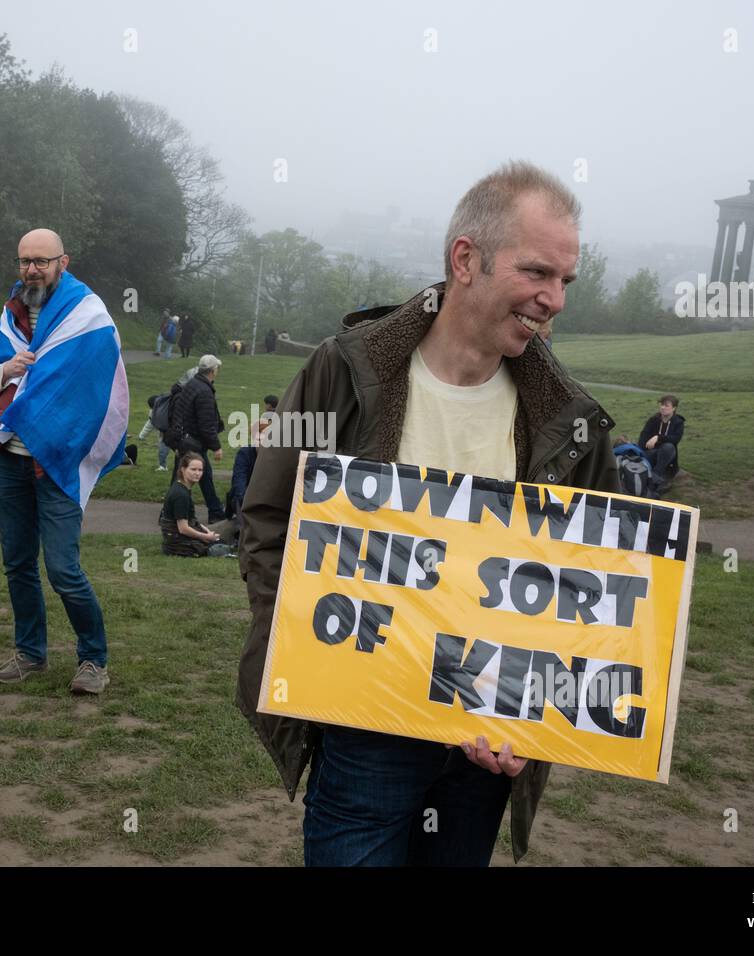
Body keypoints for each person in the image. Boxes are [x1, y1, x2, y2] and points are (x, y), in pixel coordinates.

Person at [237, 161, 621, 867]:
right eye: (538, 272)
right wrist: (299, 645)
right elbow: (267, 517)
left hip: (488, 742)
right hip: (364, 725)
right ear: (466, 260)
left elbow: (591, 588)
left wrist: (536, 709)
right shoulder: (342, 370)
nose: (555, 299)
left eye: (566, 280)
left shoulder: (572, 421)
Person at [0, 228, 127, 694]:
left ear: (64, 260)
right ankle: (30, 653)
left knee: (62, 569)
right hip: (14, 460)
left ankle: (93, 660)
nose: (32, 269)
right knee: (17, 562)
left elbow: (99, 389)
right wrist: (6, 370)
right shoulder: (12, 310)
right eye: (25, 261)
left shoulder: (89, 314)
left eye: (41, 260)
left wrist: (56, 428)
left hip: (56, 463)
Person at [165, 353, 227, 522]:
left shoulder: (192, 384)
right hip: (193, 443)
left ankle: (168, 513)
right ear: (213, 371)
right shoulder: (204, 391)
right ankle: (214, 513)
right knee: (197, 476)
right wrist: (216, 447)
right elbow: (206, 425)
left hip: (183, 440)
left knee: (183, 477)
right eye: (217, 369)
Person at [160, 452, 233, 557]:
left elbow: (190, 518)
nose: (197, 473)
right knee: (220, 548)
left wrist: (206, 531)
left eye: (200, 470)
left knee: (220, 541)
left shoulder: (182, 488)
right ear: (183, 469)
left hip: (177, 537)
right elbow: (183, 528)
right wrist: (204, 537)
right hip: (177, 543)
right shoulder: (180, 494)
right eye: (193, 469)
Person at [638, 395, 685, 496]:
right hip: (651, 453)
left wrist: (658, 438)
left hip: (667, 456)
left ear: (674, 408)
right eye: (662, 405)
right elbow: (643, 438)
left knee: (668, 447)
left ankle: (654, 478)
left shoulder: (678, 422)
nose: (663, 407)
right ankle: (653, 481)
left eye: (666, 405)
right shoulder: (653, 420)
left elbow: (675, 439)